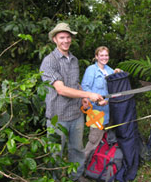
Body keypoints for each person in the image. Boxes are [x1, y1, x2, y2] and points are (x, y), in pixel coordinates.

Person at [40, 22, 103, 182]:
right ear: (55, 39)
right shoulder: (49, 61)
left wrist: (84, 98)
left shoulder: (74, 59)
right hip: (57, 116)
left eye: (68, 37)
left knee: (77, 150)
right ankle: (54, 179)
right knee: (55, 153)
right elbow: (60, 89)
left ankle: (76, 177)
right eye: (62, 37)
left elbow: (74, 84)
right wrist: (88, 93)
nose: (66, 40)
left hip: (76, 115)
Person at [81, 46, 121, 160]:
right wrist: (98, 100)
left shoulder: (109, 70)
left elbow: (116, 83)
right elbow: (85, 88)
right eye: (102, 55)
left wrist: (118, 72)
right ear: (96, 57)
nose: (104, 57)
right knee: (94, 141)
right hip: (96, 112)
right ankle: (80, 168)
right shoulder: (91, 70)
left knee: (107, 139)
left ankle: (97, 165)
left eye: (106, 55)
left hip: (109, 112)